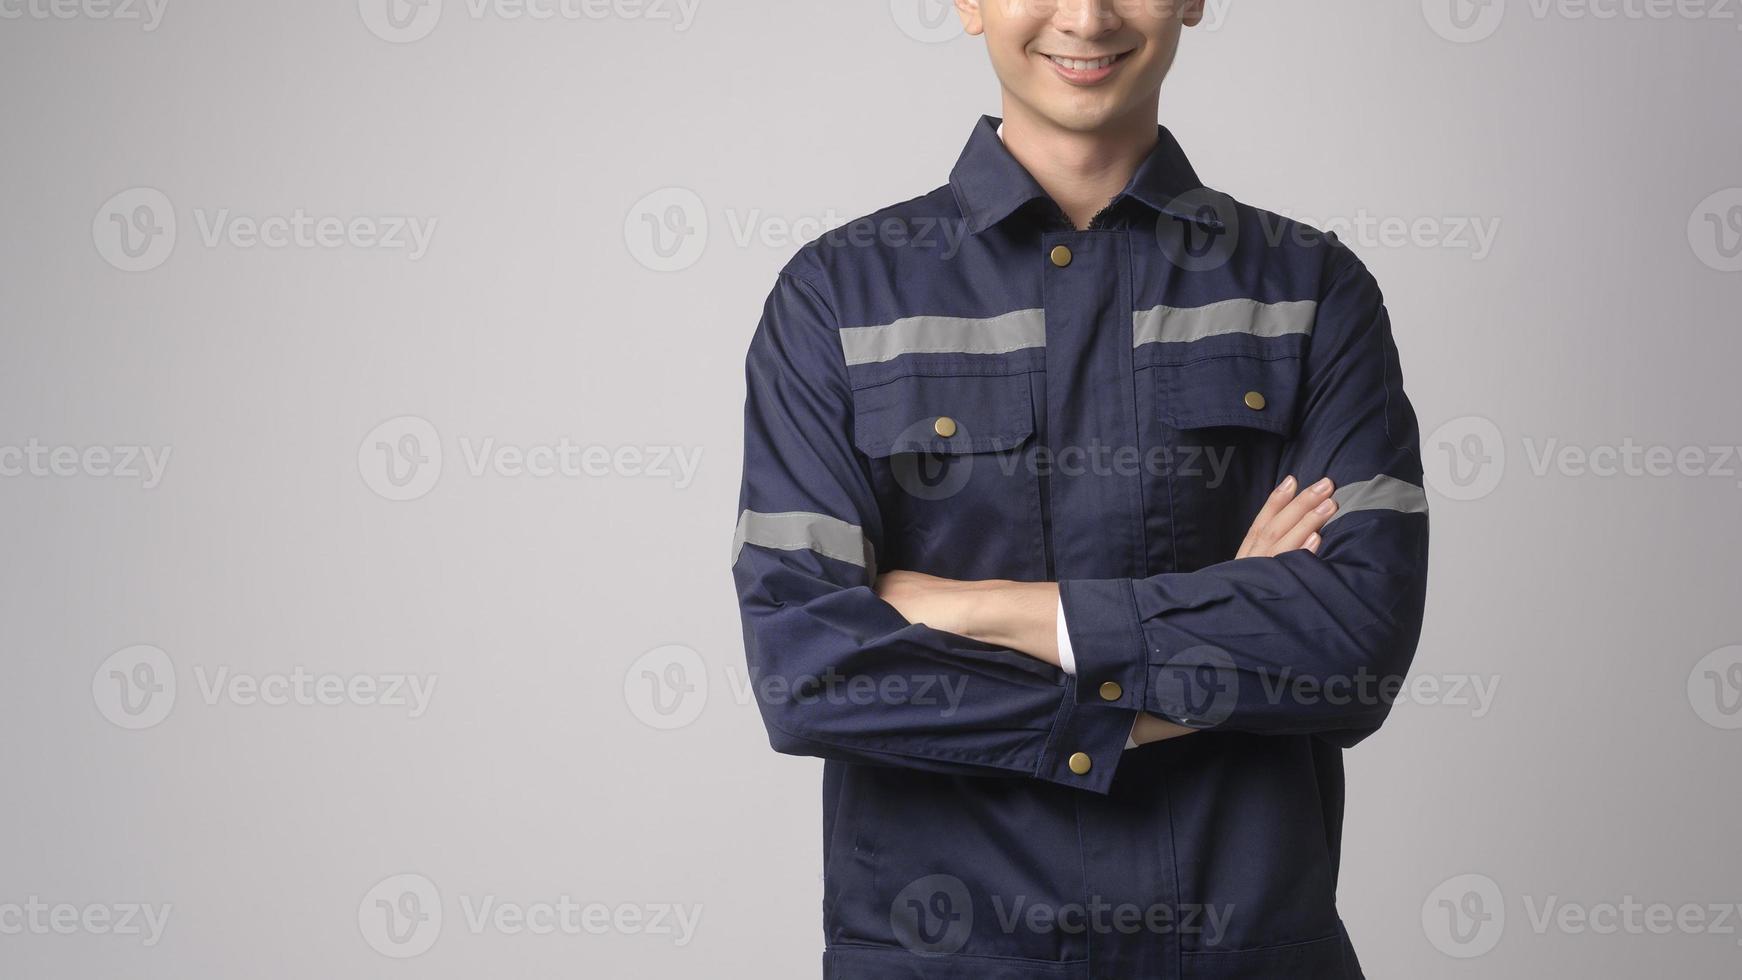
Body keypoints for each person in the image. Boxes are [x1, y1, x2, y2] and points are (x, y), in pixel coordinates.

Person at [730, 2, 1430, 976]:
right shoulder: (837, 298)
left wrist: (982, 609)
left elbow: (1350, 646)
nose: (1086, 15)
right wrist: (1194, 660)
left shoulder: (1308, 291)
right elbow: (808, 674)